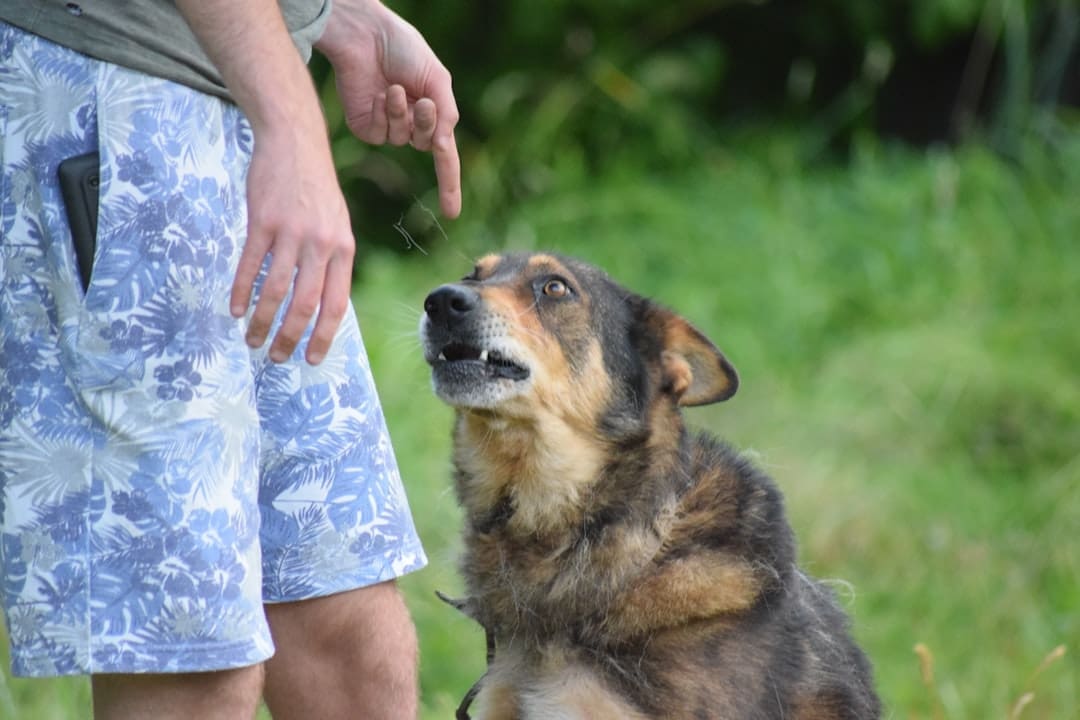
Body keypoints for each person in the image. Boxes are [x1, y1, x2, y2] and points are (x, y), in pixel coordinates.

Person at [0, 0, 460, 717]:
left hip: (238, 94)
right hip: (113, 104)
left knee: (340, 618)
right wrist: (297, 130)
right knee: (190, 663)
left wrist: (331, 12)